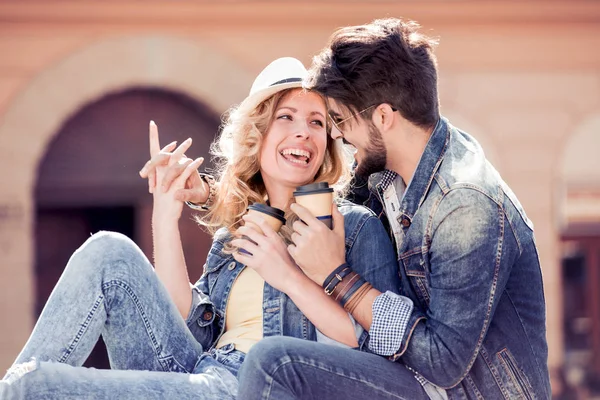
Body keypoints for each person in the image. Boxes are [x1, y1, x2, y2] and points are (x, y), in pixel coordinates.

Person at [0, 57, 400, 399]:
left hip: (255, 385)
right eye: (286, 117)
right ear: (256, 137)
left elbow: (374, 348)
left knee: (30, 386)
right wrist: (165, 210)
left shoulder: (353, 227)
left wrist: (288, 275)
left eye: (317, 122)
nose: (304, 131)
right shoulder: (235, 236)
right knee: (108, 250)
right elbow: (184, 325)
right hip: (203, 372)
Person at [236, 18, 551, 399]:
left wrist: (335, 275)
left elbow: (444, 362)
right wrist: (204, 193)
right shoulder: (392, 177)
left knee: (276, 363)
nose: (335, 135)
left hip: (458, 392)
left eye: (338, 119)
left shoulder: (465, 206)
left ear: (383, 117)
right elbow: (288, 187)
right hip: (407, 378)